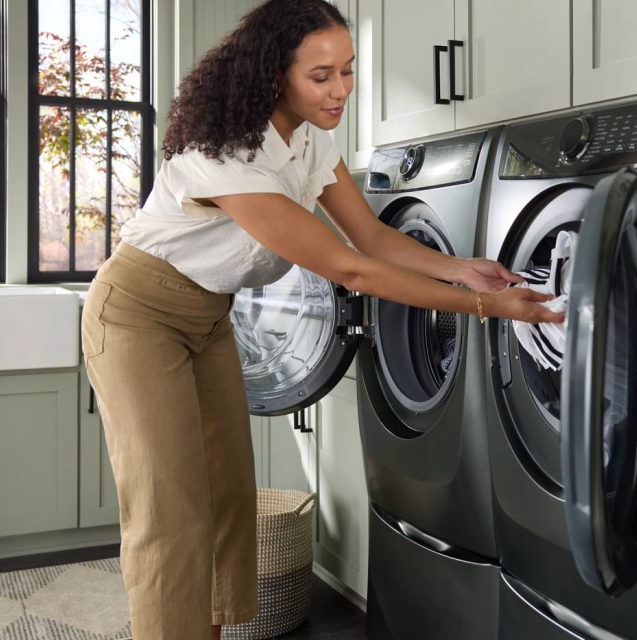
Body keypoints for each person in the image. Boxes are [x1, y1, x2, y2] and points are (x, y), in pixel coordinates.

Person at [80, 0, 564, 638]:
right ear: (273, 73)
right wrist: (486, 308)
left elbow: (371, 237)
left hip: (208, 317)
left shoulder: (310, 141)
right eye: (321, 75)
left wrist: (464, 269)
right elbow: (352, 271)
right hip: (138, 316)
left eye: (348, 70)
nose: (340, 90)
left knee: (229, 496)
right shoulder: (225, 155)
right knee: (168, 510)